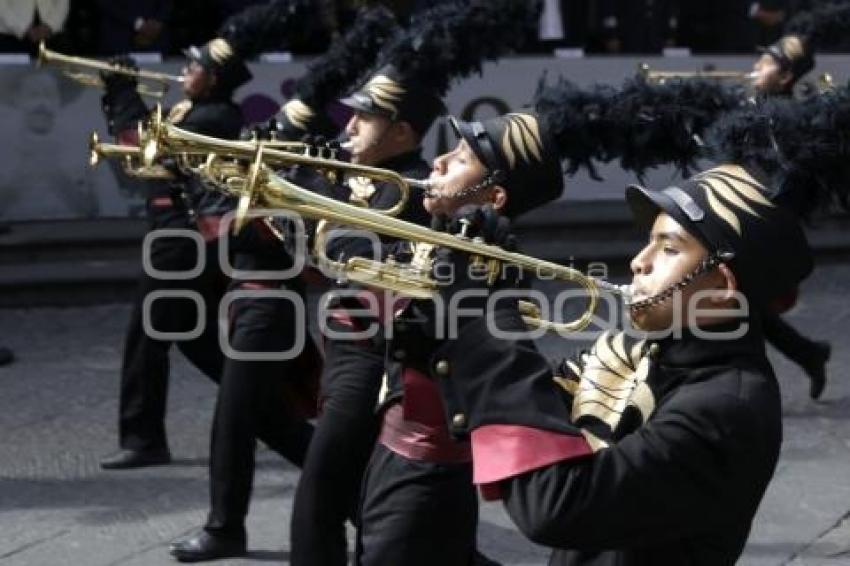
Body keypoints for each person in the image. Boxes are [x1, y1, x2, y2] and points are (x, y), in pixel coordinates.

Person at [414, 164, 812, 564]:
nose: (639, 261)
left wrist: (491, 324)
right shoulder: (638, 349)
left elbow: (558, 506)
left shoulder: (726, 408)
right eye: (648, 242)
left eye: (669, 249)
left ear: (723, 286)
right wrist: (441, 311)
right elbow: (526, 409)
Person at [353, 111, 565, 566]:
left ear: (494, 196)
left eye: (462, 158)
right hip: (395, 454)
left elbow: (425, 327)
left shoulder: (488, 261)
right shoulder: (441, 237)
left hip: (425, 467)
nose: (439, 161)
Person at [289, 64, 437, 566]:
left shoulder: (417, 189)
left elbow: (356, 255)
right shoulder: (357, 180)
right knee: (357, 490)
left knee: (321, 488)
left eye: (365, 119)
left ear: (401, 132)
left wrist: (321, 194)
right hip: (343, 344)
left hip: (378, 353)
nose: (348, 127)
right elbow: (309, 260)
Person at [98, 37, 248, 470]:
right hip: (181, 237)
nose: (184, 72)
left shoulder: (213, 118)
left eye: (194, 67)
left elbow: (148, 152)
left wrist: (124, 93)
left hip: (182, 240)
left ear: (214, 78)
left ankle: (144, 439)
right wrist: (118, 93)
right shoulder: (198, 111)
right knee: (195, 340)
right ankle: (270, 409)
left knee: (146, 339)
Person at [748, 32, 830, 398]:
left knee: (742, 308)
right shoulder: (756, 106)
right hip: (749, 222)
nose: (756, 67)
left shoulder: (789, 121)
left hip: (769, 228)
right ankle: (809, 354)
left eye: (766, 63)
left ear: (784, 77)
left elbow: (790, 184)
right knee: (743, 309)